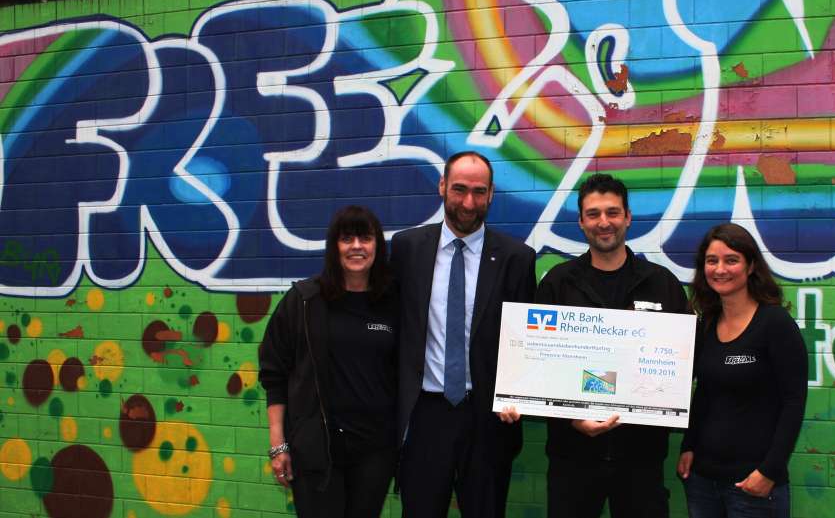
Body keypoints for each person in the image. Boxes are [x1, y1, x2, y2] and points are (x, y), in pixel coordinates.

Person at [392, 151, 536, 518]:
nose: (468, 202)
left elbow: (526, 340)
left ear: (491, 195)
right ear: (442, 187)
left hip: (488, 418)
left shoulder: (517, 258)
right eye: (459, 189)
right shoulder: (407, 248)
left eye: (479, 191)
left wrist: (518, 393)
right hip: (425, 415)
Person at [535, 173, 689, 518]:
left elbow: (683, 365)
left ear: (628, 217)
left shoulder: (661, 284)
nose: (603, 223)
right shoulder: (558, 284)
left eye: (612, 212)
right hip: (572, 456)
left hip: (641, 459)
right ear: (581, 221)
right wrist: (573, 419)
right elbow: (539, 367)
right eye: (593, 214)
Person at [258, 205, 399, 518]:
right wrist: (278, 444)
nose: (357, 247)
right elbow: (274, 374)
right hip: (316, 451)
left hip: (375, 451)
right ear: (334, 247)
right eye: (347, 239)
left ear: (378, 245)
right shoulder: (304, 301)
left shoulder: (392, 303)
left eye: (365, 238)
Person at [677, 223, 808, 518]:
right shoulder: (707, 325)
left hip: (753, 484)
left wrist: (770, 471)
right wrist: (688, 446)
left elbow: (794, 402)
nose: (720, 269)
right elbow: (704, 393)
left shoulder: (775, 324)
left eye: (731, 260)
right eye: (712, 261)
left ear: (750, 267)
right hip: (702, 481)